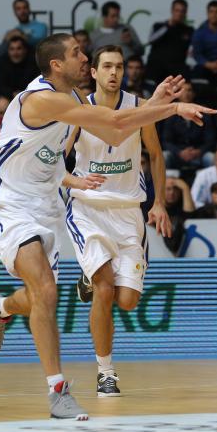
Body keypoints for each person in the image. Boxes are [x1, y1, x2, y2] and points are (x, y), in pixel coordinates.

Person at [0, 33, 215, 420]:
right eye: (77, 54)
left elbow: (117, 132)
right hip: (10, 200)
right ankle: (58, 392)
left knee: (41, 296)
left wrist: (153, 106)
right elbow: (117, 120)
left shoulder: (69, 100)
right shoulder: (41, 99)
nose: (85, 58)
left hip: (47, 203)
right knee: (48, 291)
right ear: (56, 65)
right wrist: (170, 109)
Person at [62, 45, 173, 397]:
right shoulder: (79, 111)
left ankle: (89, 279)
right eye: (107, 66)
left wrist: (159, 203)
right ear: (93, 71)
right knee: (106, 288)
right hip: (89, 208)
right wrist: (71, 182)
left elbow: (155, 154)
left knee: (126, 300)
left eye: (119, 67)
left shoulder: (139, 107)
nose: (114, 73)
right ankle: (105, 372)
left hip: (128, 211)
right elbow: (53, 159)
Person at [160, 80, 217, 170]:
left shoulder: (204, 115)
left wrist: (198, 151)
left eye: (189, 90)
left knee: (211, 157)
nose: (186, 93)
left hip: (198, 154)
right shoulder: (170, 115)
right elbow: (166, 141)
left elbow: (210, 141)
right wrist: (179, 152)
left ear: (194, 94)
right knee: (164, 155)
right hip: (177, 155)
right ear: (177, 94)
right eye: (182, 90)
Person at [146, 0, 193, 83]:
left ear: (186, 13)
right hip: (157, 68)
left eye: (182, 11)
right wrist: (168, 26)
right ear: (172, 11)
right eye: (177, 10)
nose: (179, 14)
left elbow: (193, 49)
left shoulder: (189, 30)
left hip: (176, 69)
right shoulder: (158, 26)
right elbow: (151, 40)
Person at [0, 35, 40, 114]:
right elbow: (0, 86)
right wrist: (13, 93)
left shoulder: (33, 63)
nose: (15, 53)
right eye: (12, 49)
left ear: (25, 50)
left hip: (29, 95)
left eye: (19, 48)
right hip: (9, 96)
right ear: (8, 51)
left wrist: (23, 94)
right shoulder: (2, 63)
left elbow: (37, 84)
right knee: (1, 104)